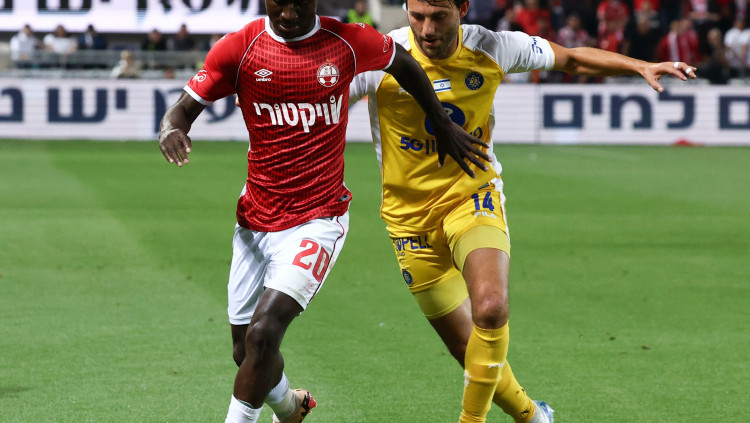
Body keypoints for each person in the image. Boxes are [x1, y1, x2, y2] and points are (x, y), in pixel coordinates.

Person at [349, 0, 697, 422]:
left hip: (472, 197)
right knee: (466, 348)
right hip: (408, 220)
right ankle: (533, 416)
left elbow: (570, 58)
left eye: (439, 17)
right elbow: (324, 98)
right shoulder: (381, 56)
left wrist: (638, 65)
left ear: (463, 8)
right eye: (417, 16)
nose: (426, 29)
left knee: (491, 307)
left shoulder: (492, 47)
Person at [158, 1, 487, 422]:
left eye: (299, 2)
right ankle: (290, 407)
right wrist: (170, 128)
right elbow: (183, 109)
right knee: (246, 352)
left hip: (319, 217)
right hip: (256, 218)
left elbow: (404, 63)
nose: (288, 13)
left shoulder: (348, 42)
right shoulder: (239, 48)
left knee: (263, 333)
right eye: (279, 2)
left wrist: (440, 122)